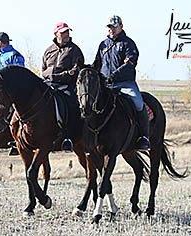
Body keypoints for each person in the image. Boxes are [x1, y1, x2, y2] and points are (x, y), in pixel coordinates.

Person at [92, 15, 150, 150]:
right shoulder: (103, 45)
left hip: (125, 83)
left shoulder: (129, 44)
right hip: (106, 85)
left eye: (114, 26)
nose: (111, 29)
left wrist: (114, 76)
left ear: (121, 27)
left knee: (138, 103)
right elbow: (97, 63)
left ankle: (143, 136)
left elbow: (130, 63)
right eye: (109, 27)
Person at [42, 22, 84, 152]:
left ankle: (68, 138)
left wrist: (59, 76)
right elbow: (43, 70)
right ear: (56, 34)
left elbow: (76, 70)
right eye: (63, 32)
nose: (66, 34)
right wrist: (50, 75)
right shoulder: (49, 50)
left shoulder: (74, 50)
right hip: (49, 86)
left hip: (66, 87)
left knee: (72, 106)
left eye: (67, 32)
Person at [0, 32, 25, 155]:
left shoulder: (15, 55)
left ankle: (16, 140)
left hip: (13, 93)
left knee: (13, 112)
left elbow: (20, 74)